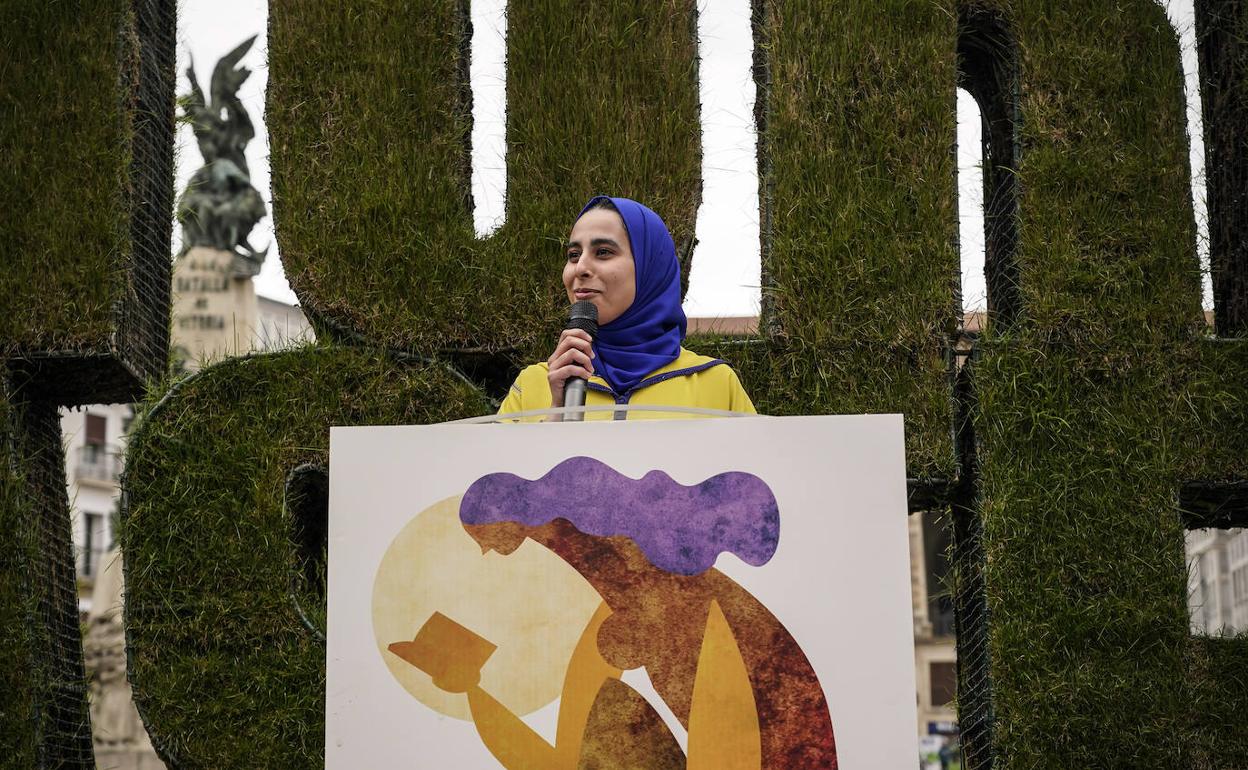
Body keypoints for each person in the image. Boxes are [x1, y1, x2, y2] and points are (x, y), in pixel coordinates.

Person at [498, 195, 755, 420]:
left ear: (649, 268)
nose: (581, 267)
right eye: (574, 255)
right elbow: (498, 476)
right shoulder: (533, 385)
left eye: (603, 252)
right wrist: (554, 414)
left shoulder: (715, 385)